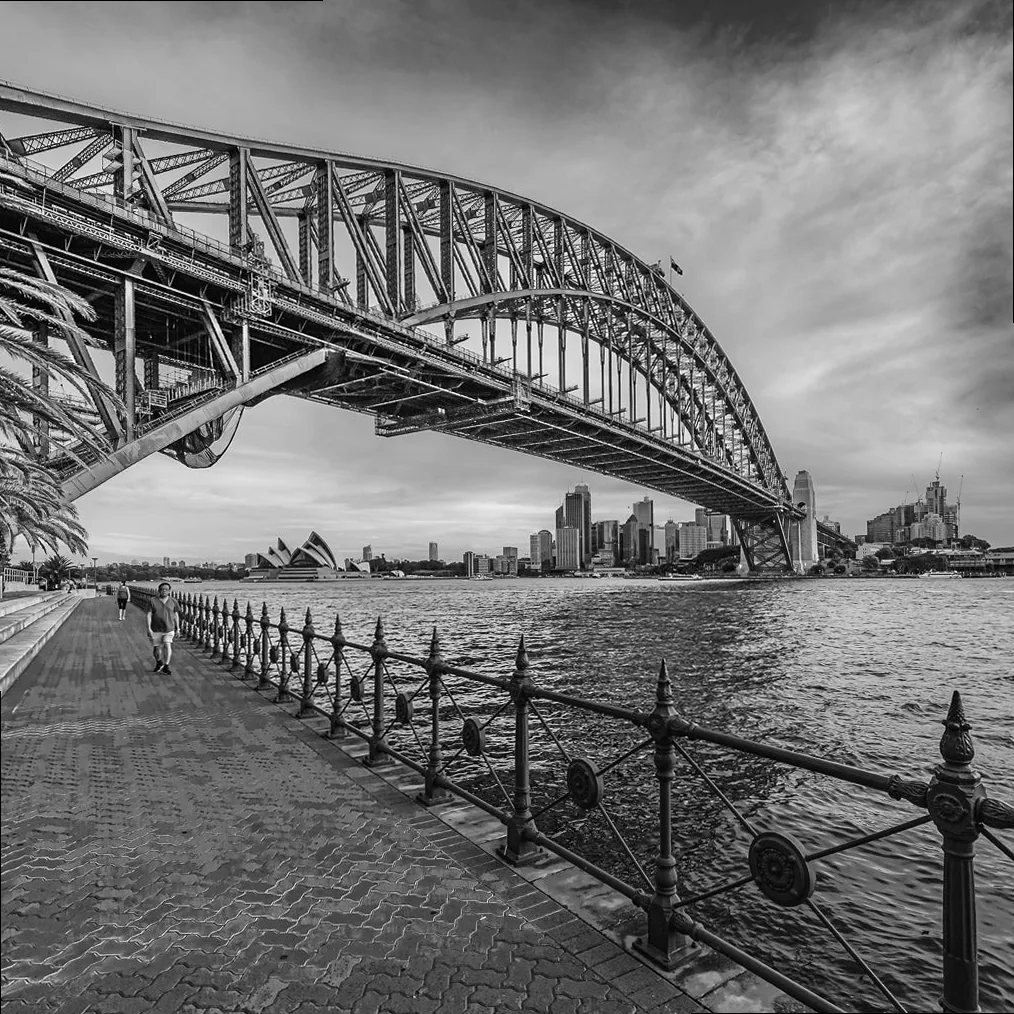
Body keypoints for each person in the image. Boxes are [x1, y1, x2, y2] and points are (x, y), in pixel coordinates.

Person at [146, 581, 179, 675]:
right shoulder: (152, 600)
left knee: (167, 644)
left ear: (169, 591)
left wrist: (178, 628)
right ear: (159, 591)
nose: (164, 591)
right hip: (156, 628)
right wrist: (149, 628)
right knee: (156, 649)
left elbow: (176, 614)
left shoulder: (173, 601)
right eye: (162, 589)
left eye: (166, 590)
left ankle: (166, 665)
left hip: (169, 628)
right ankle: (159, 662)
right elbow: (149, 614)